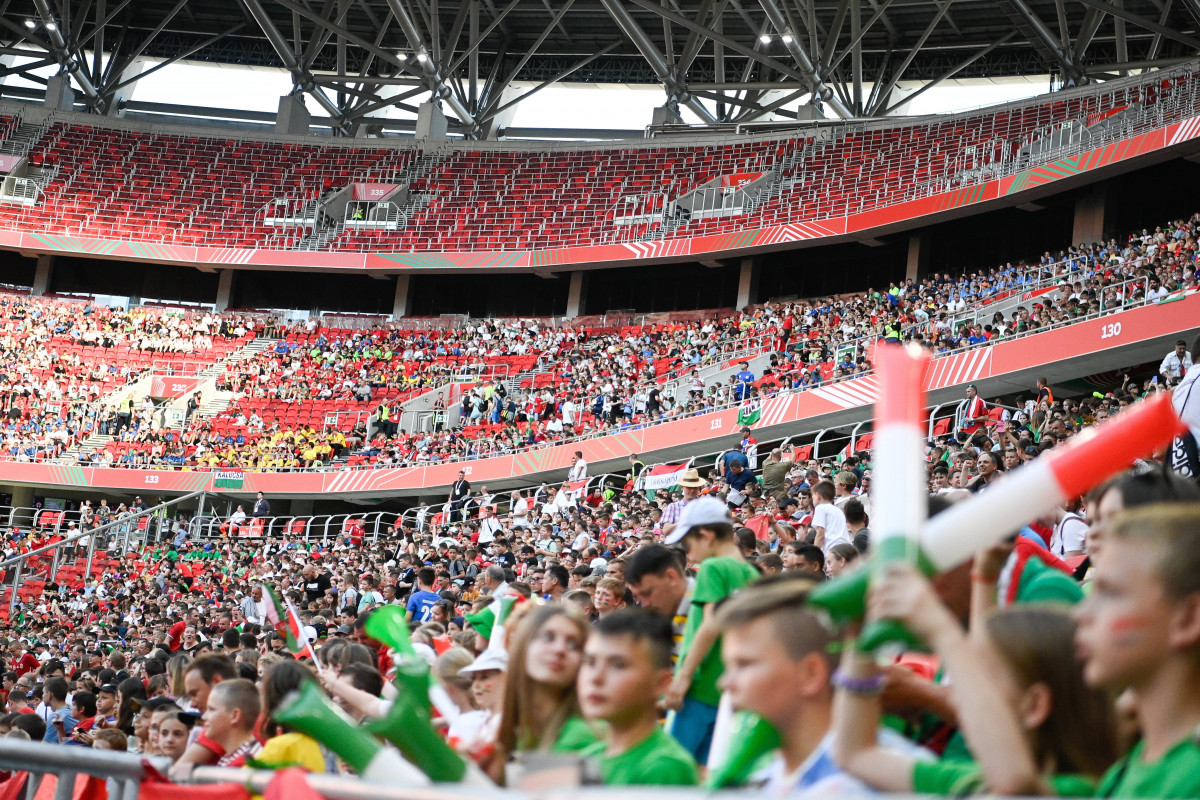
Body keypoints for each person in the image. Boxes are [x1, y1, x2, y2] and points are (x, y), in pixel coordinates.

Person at [832, 564, 1117, 796]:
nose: (961, 693)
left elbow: (1015, 785)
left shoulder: (1080, 791)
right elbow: (855, 754)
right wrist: (859, 635)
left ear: (1034, 706)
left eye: (977, 679)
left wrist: (941, 631)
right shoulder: (974, 781)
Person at [716, 578, 929, 793]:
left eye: (744, 665)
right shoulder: (756, 779)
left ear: (810, 674)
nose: (724, 683)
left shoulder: (901, 781)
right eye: (728, 666)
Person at [1070, 503, 1200, 797]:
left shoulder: (1191, 781)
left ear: (1188, 618)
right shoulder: (1131, 764)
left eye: (1110, 592)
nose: (1080, 614)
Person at [661, 496, 759, 765]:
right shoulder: (752, 574)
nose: (688, 552)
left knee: (672, 771)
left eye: (689, 543)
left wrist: (683, 677)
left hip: (696, 687)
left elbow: (711, 623)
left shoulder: (713, 567)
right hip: (724, 693)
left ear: (705, 535)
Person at [578, 609, 699, 786]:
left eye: (618, 665)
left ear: (660, 684)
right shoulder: (590, 756)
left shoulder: (665, 768)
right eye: (589, 662)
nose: (595, 677)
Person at [492, 606, 598, 782]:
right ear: (522, 646)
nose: (559, 649)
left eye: (573, 644)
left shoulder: (581, 736)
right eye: (548, 637)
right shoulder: (521, 730)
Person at [625, 544, 692, 661]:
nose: (645, 604)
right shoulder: (655, 616)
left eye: (647, 593)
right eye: (640, 596)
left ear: (671, 577)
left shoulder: (709, 606)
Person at [201, 679, 262, 767]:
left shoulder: (247, 763)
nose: (204, 717)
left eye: (211, 709)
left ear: (235, 716)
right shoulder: (233, 756)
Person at [811, 481, 850, 555]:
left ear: (818, 495)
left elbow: (820, 535)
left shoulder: (820, 508)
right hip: (846, 548)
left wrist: (814, 553)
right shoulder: (837, 510)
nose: (812, 499)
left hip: (833, 550)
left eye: (812, 496)